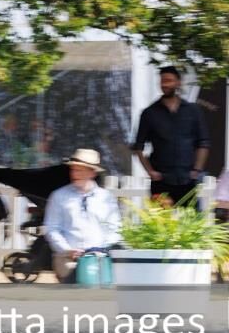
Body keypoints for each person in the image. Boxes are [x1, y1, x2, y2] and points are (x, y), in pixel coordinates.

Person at [132, 65, 210, 205]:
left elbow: (203, 143)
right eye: (162, 81)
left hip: (188, 179)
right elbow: (138, 146)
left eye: (169, 80)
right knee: (160, 219)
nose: (165, 85)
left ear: (178, 83)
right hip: (161, 180)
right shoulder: (149, 113)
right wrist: (150, 171)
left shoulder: (193, 111)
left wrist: (197, 170)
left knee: (189, 219)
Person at [43, 149, 121, 282]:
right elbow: (51, 229)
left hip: (99, 258)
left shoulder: (106, 197)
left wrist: (101, 250)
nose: (74, 174)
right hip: (68, 259)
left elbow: (115, 228)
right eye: (73, 170)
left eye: (80, 170)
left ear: (92, 173)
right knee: (77, 276)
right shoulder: (59, 196)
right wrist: (67, 250)